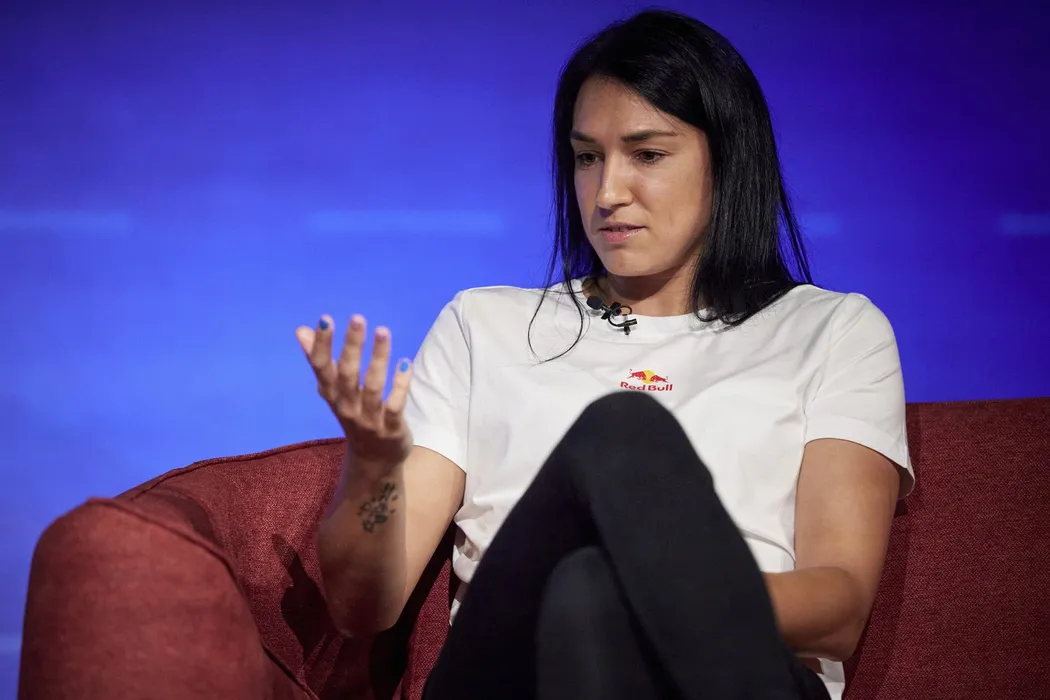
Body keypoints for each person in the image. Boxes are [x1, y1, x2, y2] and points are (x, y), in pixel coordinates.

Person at [295, 9, 913, 700]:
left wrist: (642, 600)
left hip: (737, 679)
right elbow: (363, 609)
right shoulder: (483, 325)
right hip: (511, 677)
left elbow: (838, 609)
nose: (608, 192)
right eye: (587, 157)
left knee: (590, 591)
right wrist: (373, 469)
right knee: (621, 433)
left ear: (728, 159)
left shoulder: (832, 331)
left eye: (647, 155)